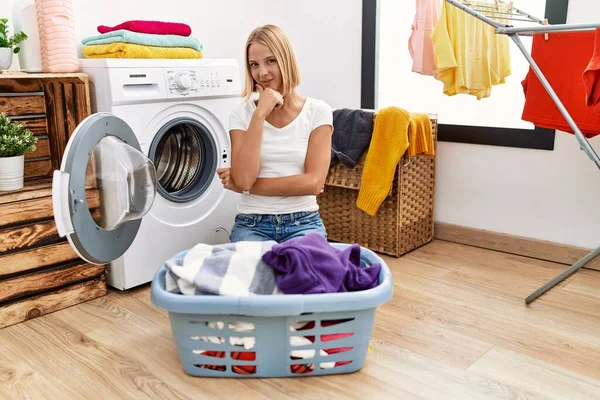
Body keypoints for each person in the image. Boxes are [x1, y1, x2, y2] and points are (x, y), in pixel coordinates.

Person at [217, 24, 333, 243]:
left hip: (304, 222)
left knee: (304, 273)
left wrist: (247, 187)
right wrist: (260, 114)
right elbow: (243, 179)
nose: (262, 73)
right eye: (254, 64)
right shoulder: (241, 114)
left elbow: (314, 183)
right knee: (254, 273)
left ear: (286, 60)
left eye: (270, 61)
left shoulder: (318, 112)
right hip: (252, 224)